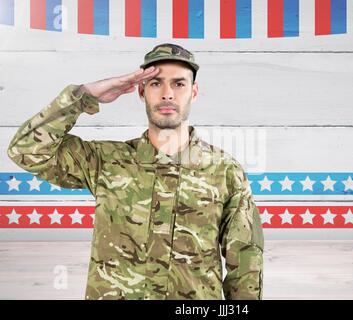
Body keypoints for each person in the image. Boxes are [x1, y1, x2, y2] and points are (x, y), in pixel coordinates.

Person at [7, 43, 264, 300]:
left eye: (178, 84)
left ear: (193, 92)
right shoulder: (106, 161)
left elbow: (246, 261)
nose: (167, 94)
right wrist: (84, 95)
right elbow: (26, 149)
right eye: (155, 83)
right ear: (141, 92)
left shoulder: (224, 171)